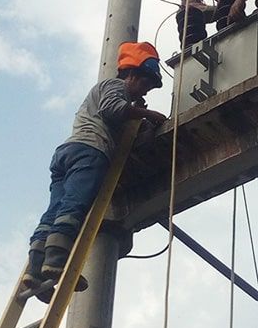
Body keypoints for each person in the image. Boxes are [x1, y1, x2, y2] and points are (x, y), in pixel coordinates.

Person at [24, 42, 165, 298]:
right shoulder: (114, 86)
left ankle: (36, 271)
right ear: (131, 74)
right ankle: (56, 264)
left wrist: (139, 119)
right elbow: (113, 110)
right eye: (144, 84)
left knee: (55, 209)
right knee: (75, 206)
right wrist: (147, 114)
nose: (143, 91)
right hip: (90, 150)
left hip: (67, 152)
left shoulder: (105, 92)